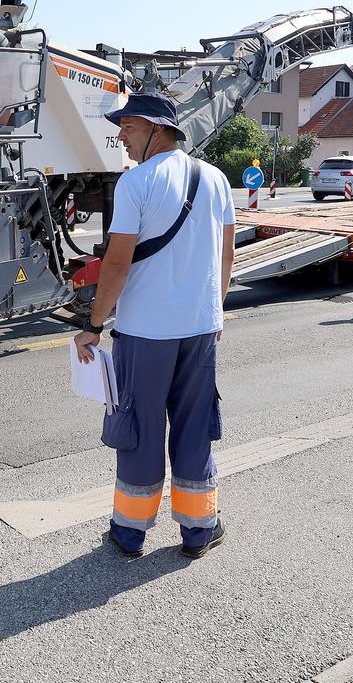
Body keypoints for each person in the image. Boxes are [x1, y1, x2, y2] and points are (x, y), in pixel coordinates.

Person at [74, 94, 235, 560]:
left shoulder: (136, 183)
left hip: (146, 332)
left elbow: (118, 263)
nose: (120, 134)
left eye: (128, 126)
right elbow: (225, 255)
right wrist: (215, 311)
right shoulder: (217, 178)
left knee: (140, 429)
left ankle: (129, 534)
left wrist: (93, 324)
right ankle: (199, 530)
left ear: (156, 130)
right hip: (200, 330)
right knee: (193, 428)